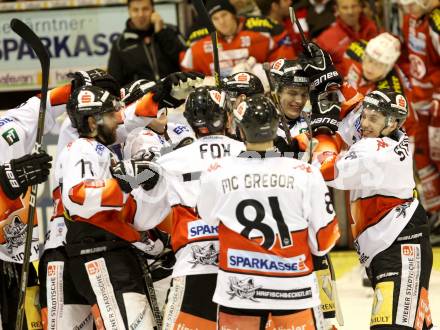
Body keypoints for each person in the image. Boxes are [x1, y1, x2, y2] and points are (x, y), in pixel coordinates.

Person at [197, 94, 340, 329]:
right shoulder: (305, 172)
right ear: (276, 128)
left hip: (238, 290)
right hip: (294, 290)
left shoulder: (217, 171)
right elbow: (325, 239)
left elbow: (206, 216)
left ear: (240, 130)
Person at [56, 84, 170, 329]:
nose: (118, 119)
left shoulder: (102, 152)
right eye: (110, 115)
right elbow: (78, 195)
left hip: (113, 254)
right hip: (99, 254)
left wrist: (145, 237)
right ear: (92, 122)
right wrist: (124, 182)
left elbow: (121, 207)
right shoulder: (82, 149)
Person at [319, 90, 434, 329]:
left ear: (391, 123)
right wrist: (339, 83)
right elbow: (354, 112)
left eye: (373, 119)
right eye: (366, 116)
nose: (365, 123)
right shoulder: (389, 135)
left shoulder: (376, 152)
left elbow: (328, 172)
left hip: (400, 247)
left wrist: (323, 138)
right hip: (392, 246)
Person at [146, 86, 245, 329]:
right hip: (246, 268)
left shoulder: (166, 160)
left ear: (190, 121)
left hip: (194, 267)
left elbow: (140, 209)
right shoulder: (252, 154)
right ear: (228, 118)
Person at [398, 0, 440, 223]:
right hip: (418, 102)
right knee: (423, 157)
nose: (409, 6)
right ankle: (435, 213)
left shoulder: (436, 22)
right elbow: (407, 56)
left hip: (436, 102)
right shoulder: (409, 18)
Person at [181, 0, 295, 77]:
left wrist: (263, 73)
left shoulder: (263, 29)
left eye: (224, 15)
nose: (222, 22)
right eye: (215, 18)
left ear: (233, 15)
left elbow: (285, 59)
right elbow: (188, 75)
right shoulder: (197, 42)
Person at [107, 0, 186, 85]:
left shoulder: (171, 31)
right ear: (129, 12)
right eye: (135, 10)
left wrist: (161, 33)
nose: (141, 14)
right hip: (141, 97)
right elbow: (114, 82)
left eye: (145, 9)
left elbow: (186, 61)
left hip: (174, 93)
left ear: (153, 10)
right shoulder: (120, 45)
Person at [315, 0, 378, 73]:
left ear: (360, 7)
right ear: (337, 10)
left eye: (354, 6)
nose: (350, 12)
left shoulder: (372, 28)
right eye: (345, 8)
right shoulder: (325, 39)